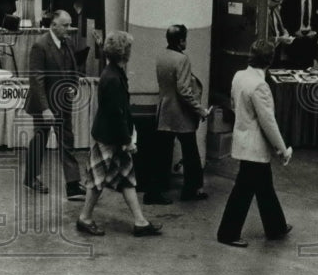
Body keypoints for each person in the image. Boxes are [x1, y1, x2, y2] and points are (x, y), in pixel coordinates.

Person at [76, 31, 163, 237]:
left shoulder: (113, 72)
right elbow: (116, 113)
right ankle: (85, 218)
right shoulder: (113, 77)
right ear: (124, 52)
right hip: (109, 137)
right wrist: (126, 141)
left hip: (111, 135)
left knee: (126, 178)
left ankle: (140, 221)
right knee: (98, 179)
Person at [216, 40, 293, 248]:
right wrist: (282, 149)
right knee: (243, 191)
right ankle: (227, 233)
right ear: (270, 60)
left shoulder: (239, 76)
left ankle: (276, 226)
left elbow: (233, 104)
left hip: (242, 139)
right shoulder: (260, 86)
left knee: (264, 186)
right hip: (255, 146)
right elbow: (269, 122)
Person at [22, 9, 86, 201]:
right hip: (45, 105)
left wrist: (73, 86)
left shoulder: (67, 42)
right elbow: (37, 79)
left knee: (67, 141)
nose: (69, 28)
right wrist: (45, 108)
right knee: (40, 141)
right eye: (65, 25)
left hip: (63, 102)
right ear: (53, 25)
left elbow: (73, 68)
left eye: (69, 25)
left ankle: (73, 185)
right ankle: (30, 177)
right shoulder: (40, 46)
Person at [150, 24, 210, 205]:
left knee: (161, 154)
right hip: (181, 114)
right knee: (191, 152)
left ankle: (155, 191)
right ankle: (191, 190)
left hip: (164, 111)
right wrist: (200, 110)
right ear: (181, 40)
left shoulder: (161, 56)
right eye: (185, 39)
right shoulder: (182, 59)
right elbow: (184, 90)